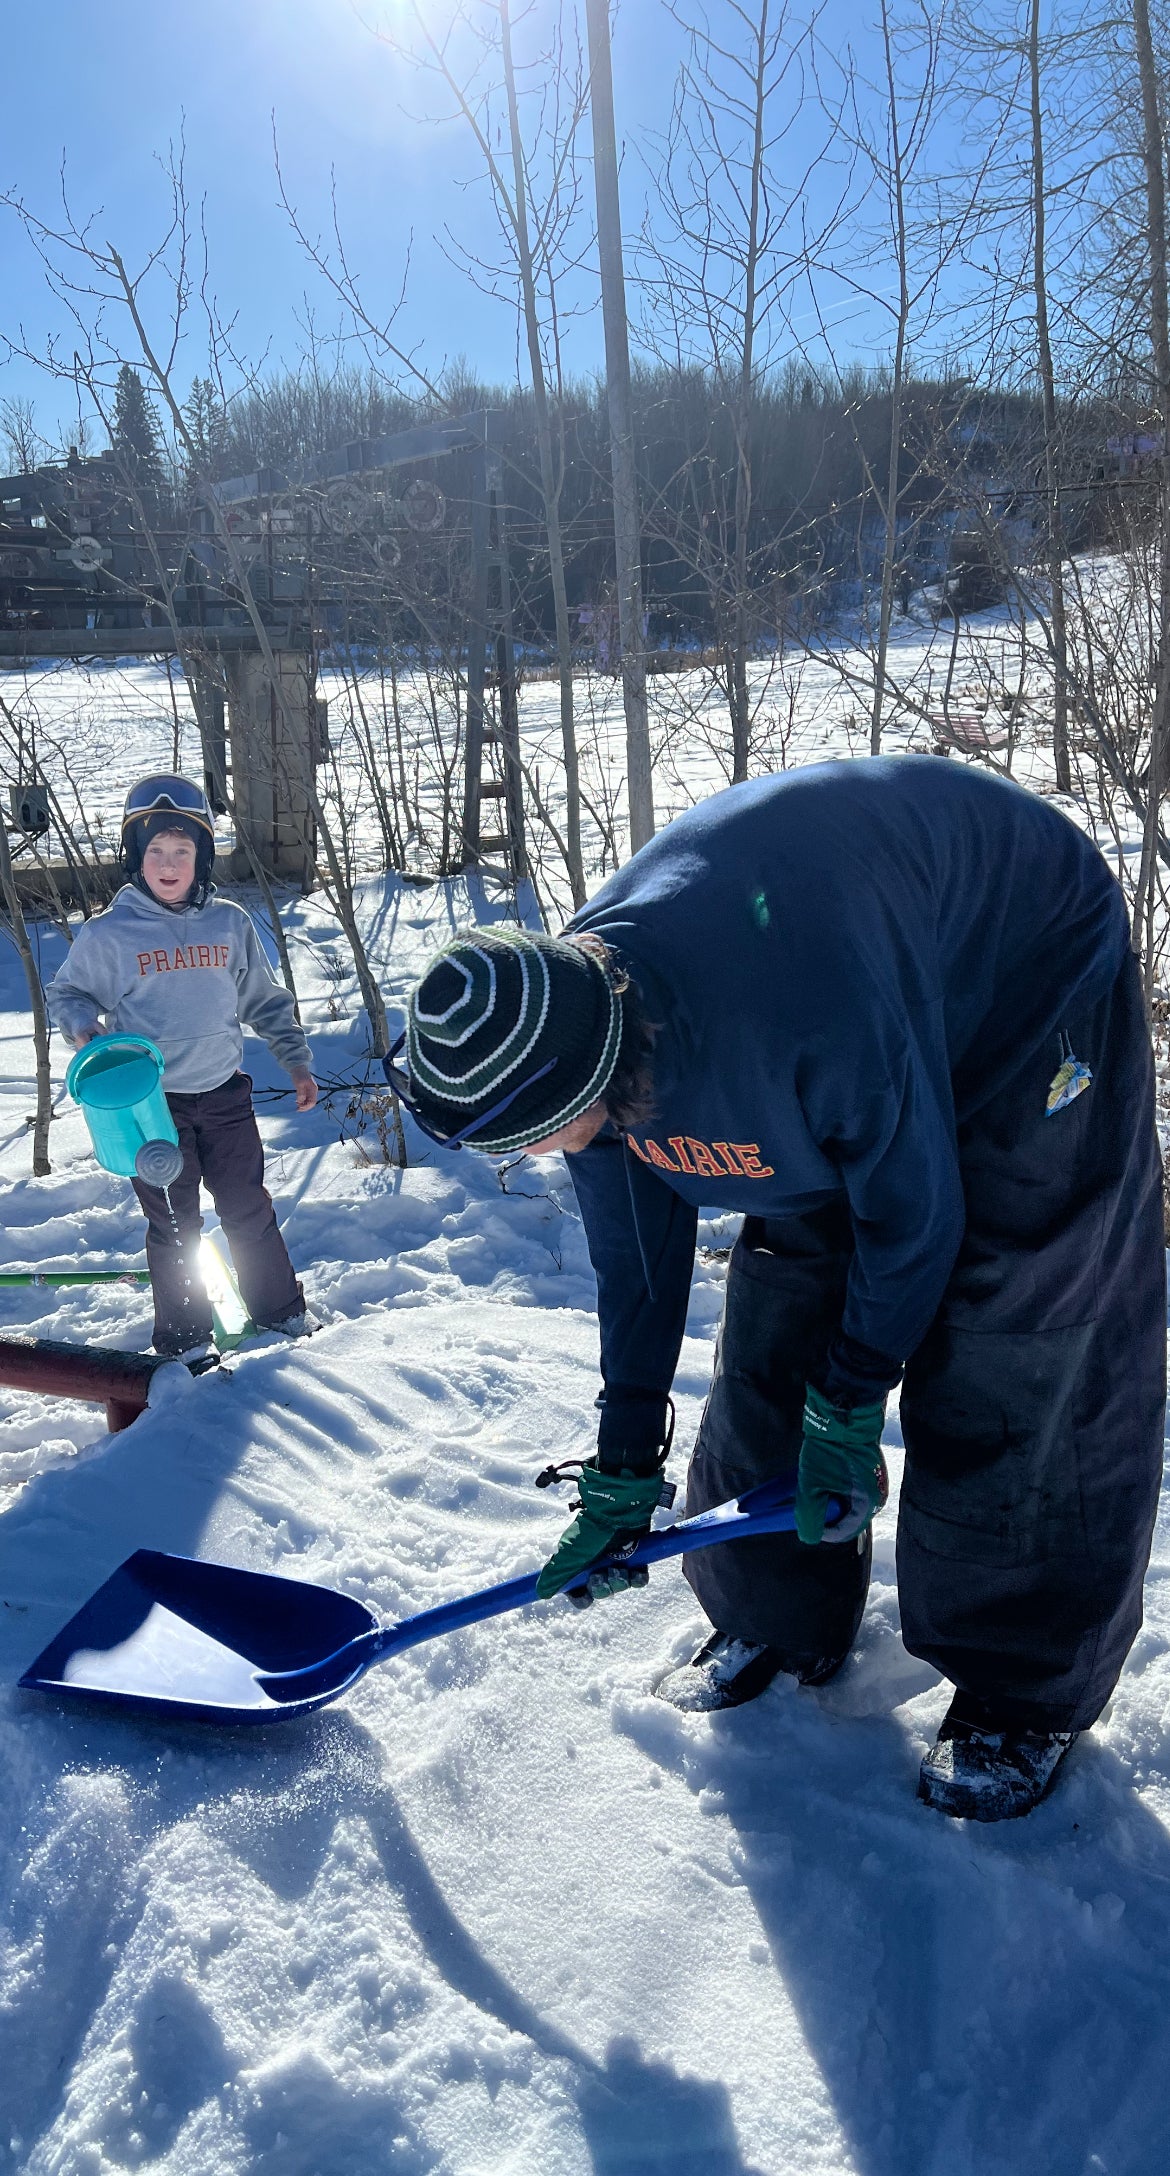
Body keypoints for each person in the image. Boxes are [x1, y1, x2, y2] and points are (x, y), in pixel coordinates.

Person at [395, 758, 1166, 1822]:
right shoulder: (557, 1021)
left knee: (1020, 1322)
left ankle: (1020, 1686)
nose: (534, 1157)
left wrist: (852, 1401)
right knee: (782, 1292)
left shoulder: (806, 1017)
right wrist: (624, 1463)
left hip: (1022, 972)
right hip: (824, 995)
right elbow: (641, 1264)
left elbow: (917, 1216)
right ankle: (771, 1601)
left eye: (530, 1139)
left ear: (584, 1082)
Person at [48, 774, 318, 1360]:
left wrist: (295, 1059)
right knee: (175, 1227)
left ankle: (281, 1316)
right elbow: (67, 992)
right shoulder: (109, 935)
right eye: (156, 852)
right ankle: (186, 1340)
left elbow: (265, 1001)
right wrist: (80, 1024)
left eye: (183, 851)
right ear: (135, 857)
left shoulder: (228, 924)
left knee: (249, 1209)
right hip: (150, 1112)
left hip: (225, 1097)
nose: (169, 864)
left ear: (201, 859)